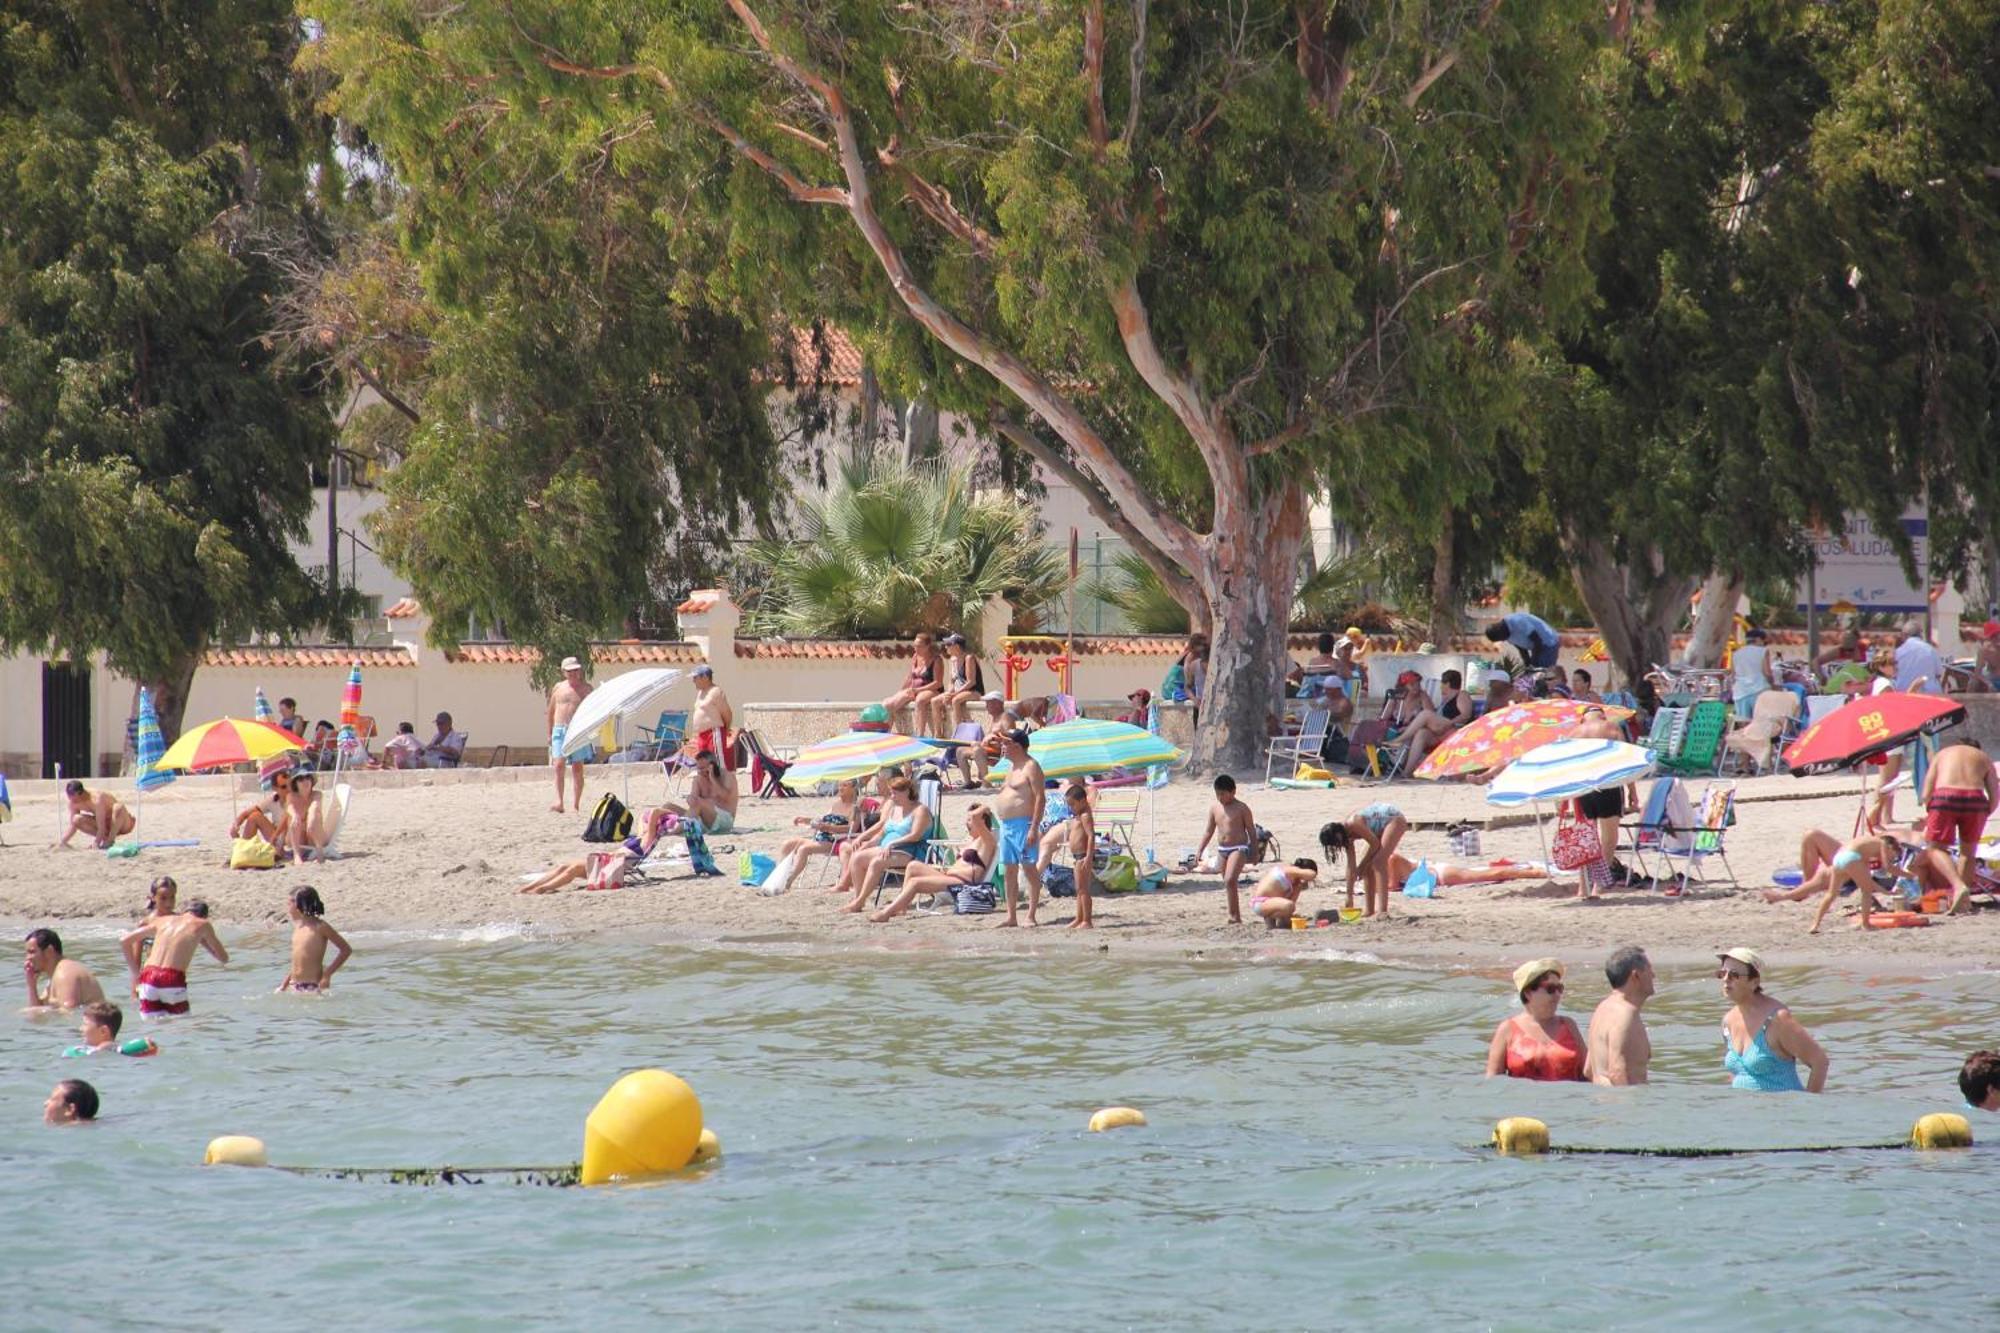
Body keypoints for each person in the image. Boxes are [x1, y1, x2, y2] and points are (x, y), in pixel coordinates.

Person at [1718, 947, 1827, 1092]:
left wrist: (1809, 1106)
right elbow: (1736, 1073)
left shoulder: (1777, 1020)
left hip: (1783, 1111)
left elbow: (1820, 1062)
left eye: (1734, 975)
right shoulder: (1728, 1021)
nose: (1726, 979)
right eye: (1722, 973)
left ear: (1754, 982)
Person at [870, 805, 998, 922]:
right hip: (950, 878)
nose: (966, 823)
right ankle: (901, 907)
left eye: (969, 820)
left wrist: (985, 808)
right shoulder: (972, 841)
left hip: (964, 884)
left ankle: (886, 913)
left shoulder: (987, 841)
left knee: (916, 883)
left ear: (981, 821)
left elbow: (976, 817)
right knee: (913, 866)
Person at [838, 776, 933, 913]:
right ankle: (858, 898)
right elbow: (882, 833)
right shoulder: (895, 809)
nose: (892, 797)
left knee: (877, 862)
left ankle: (860, 901)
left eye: (894, 793)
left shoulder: (920, 810)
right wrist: (868, 843)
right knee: (857, 857)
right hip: (888, 848)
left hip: (911, 850)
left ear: (907, 792)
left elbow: (915, 835)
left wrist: (892, 843)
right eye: (891, 793)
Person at [1484, 959, 1586, 1082]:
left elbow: (1589, 1071)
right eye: (1550, 989)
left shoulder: (1569, 1025)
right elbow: (1493, 1080)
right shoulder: (1507, 1029)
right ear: (1528, 993)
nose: (1557, 994)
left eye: (1560, 988)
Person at [120, 900, 227, 1016]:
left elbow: (124, 941)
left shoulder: (163, 920)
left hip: (148, 977)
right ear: (205, 916)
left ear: (184, 912)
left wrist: (136, 973)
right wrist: (203, 941)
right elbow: (223, 958)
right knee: (181, 1028)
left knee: (151, 1028)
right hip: (172, 979)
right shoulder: (203, 924)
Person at [1573, 705, 1639, 887]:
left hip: (1583, 788)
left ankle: (1582, 886)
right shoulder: (1611, 728)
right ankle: (1598, 887)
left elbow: (1567, 768)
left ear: (1584, 718)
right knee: (1608, 837)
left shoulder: (1575, 733)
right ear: (1602, 717)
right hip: (1609, 784)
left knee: (1587, 838)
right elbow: (1626, 761)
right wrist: (1632, 792)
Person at [1918, 741, 1996, 893]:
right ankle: (1963, 897)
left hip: (1944, 798)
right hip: (1976, 800)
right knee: (1968, 853)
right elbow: (1994, 796)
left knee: (1935, 849)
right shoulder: (1983, 757)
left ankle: (1954, 887)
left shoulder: (1942, 754)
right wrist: (1985, 814)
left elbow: (1926, 793)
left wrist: (1931, 812)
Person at [762, 779, 864, 895]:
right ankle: (778, 876)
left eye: (845, 786)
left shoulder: (855, 808)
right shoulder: (835, 804)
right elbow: (821, 820)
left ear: (853, 789)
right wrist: (806, 820)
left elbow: (851, 829)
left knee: (804, 849)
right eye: (840, 785)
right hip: (821, 837)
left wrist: (829, 828)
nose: (841, 788)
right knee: (788, 844)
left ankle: (788, 881)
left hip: (834, 840)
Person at [991, 729, 1047, 927]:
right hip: (1006, 826)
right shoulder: (1012, 767)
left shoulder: (1031, 766)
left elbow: (1040, 798)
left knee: (1029, 869)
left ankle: (1031, 915)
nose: (1002, 748)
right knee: (1009, 871)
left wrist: (1033, 827)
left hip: (1024, 824)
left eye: (1006, 744)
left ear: (1017, 746)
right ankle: (1011, 916)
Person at [1319, 804, 1407, 919]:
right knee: (1367, 869)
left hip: (1394, 819)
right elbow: (1351, 868)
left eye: (1335, 843)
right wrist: (1349, 896)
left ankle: (1382, 911)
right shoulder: (1347, 838)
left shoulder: (1353, 823)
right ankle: (1370, 910)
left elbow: (1374, 844)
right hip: (1378, 830)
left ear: (1338, 834)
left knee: (1378, 862)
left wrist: (1362, 865)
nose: (1337, 846)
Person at [1805, 832, 1904, 933]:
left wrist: (1886, 892)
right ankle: (1866, 925)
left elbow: (1868, 880)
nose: (1891, 859)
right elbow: (1871, 880)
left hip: (1839, 857)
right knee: (1866, 892)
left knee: (1831, 894)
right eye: (1892, 856)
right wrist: (1908, 876)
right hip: (1851, 858)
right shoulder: (1878, 847)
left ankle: (1815, 925)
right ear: (1890, 848)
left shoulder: (1867, 846)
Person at [1192, 774, 1257, 924]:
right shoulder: (1215, 808)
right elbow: (1209, 831)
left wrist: (1254, 851)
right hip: (1222, 850)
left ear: (1233, 792)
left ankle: (1234, 916)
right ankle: (1235, 915)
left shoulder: (1242, 808)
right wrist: (1200, 850)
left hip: (1238, 848)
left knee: (1230, 880)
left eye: (1223, 794)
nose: (1220, 797)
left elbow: (1251, 831)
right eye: (1217, 794)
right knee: (1229, 884)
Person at [1586, 946, 1654, 1086]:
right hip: (1624, 1104)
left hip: (1604, 1103)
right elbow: (1617, 1071)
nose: (1654, 975)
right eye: (1649, 969)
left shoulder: (1602, 1009)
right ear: (1636, 976)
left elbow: (1588, 1070)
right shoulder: (1626, 1014)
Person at [1390, 671, 1470, 776]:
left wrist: (1449, 723)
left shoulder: (1462, 695)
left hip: (1456, 731)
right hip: (1442, 732)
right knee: (1421, 733)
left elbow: (1466, 715)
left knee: (1426, 714)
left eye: (1442, 683)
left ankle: (1399, 740)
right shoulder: (1446, 698)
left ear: (1447, 684)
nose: (1441, 686)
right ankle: (1407, 772)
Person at [278, 886, 352, 993]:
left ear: (299, 904)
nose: (287, 908)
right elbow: (297, 963)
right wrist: (284, 985)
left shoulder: (320, 926)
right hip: (294, 985)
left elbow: (346, 950)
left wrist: (327, 974)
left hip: (313, 986)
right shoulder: (298, 927)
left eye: (289, 904)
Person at [651, 749, 740, 838]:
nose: (700, 771)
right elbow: (693, 802)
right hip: (702, 819)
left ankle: (675, 831)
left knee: (699, 803)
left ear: (712, 766)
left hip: (724, 820)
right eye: (698, 768)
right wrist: (690, 798)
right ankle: (655, 828)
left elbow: (726, 797)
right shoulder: (698, 779)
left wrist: (713, 778)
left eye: (703, 768)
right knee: (667, 806)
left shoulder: (727, 776)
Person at [547, 655, 596, 814]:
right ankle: (559, 801)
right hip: (560, 729)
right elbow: (551, 711)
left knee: (577, 768)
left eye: (576, 670)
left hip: (578, 731)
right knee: (559, 765)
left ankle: (575, 804)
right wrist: (549, 732)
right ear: (564, 672)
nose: (574, 673)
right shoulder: (558, 688)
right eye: (570, 671)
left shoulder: (587, 689)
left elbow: (593, 712)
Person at [23, 928, 106, 1010]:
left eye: (32, 952)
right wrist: (32, 985)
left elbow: (69, 1013)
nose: (27, 958)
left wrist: (33, 1011)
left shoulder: (64, 974)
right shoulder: (55, 975)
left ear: (49, 951)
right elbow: (36, 1016)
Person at [928, 633, 986, 734]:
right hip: (958, 690)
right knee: (934, 701)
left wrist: (954, 694)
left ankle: (959, 733)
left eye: (949, 645)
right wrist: (949, 693)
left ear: (957, 646)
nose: (946, 647)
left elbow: (971, 682)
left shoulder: (969, 658)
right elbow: (951, 681)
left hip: (973, 691)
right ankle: (938, 734)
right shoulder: (953, 660)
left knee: (955, 700)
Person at [883, 633, 941, 732]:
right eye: (915, 646)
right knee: (887, 703)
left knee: (920, 700)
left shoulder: (936, 660)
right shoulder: (915, 657)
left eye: (919, 646)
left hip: (931, 690)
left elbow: (937, 683)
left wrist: (918, 690)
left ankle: (920, 734)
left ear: (927, 646)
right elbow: (910, 677)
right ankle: (886, 732)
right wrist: (900, 691)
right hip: (913, 690)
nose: (915, 649)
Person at [54, 780, 134, 849]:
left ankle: (109, 841)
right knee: (76, 819)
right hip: (106, 827)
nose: (69, 798)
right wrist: (63, 842)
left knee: (118, 807)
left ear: (78, 793)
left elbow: (101, 827)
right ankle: (106, 839)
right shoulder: (73, 803)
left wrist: (96, 843)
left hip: (122, 823)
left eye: (71, 795)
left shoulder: (97, 799)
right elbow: (73, 825)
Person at [278, 769, 333, 864]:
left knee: (315, 815)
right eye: (300, 779)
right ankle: (297, 855)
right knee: (294, 818)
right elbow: (289, 808)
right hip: (297, 838)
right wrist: (295, 816)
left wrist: (311, 821)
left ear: (311, 781)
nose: (305, 781)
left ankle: (320, 853)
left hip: (315, 837)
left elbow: (314, 806)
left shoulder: (317, 794)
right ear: (296, 784)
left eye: (308, 778)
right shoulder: (291, 796)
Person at [64, 1001, 155, 1058]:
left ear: (103, 1031)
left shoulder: (120, 1049)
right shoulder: (76, 1051)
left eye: (85, 1024)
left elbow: (148, 1043)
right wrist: (99, 1051)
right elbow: (68, 1054)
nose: (81, 1028)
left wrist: (110, 1048)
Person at [1249, 859, 1320, 928]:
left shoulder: (1294, 882)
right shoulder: (1291, 870)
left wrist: (1299, 887)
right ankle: (1269, 917)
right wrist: (1308, 877)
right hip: (1260, 903)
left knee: (1290, 907)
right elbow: (1312, 874)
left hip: (1270, 902)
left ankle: (1276, 922)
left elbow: (1292, 902)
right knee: (1289, 906)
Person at [1484, 612, 1561, 674]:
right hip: (1537, 647)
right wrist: (1527, 665)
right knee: (1532, 676)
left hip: (1548, 643)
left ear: (1500, 629)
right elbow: (1522, 649)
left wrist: (1533, 664)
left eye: (1501, 638)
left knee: (1543, 675)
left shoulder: (1516, 621)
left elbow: (1537, 641)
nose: (1503, 640)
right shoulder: (1506, 634)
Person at [231, 770, 292, 847]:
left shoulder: (297, 798)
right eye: (284, 787)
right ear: (275, 788)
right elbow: (247, 813)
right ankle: (243, 849)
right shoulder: (273, 799)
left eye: (291, 785)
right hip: (277, 837)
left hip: (292, 837)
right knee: (254, 816)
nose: (289, 789)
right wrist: (236, 825)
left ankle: (243, 850)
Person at [687, 664, 735, 758]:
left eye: (695, 677)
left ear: (705, 677)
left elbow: (727, 713)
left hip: (713, 734)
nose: (693, 681)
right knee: (705, 764)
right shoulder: (700, 692)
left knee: (717, 763)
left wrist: (725, 730)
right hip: (702, 735)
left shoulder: (715, 691)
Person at [1730, 626, 1777, 718]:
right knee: (1760, 721)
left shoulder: (1736, 653)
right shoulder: (1763, 651)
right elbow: (1767, 673)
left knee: (1742, 722)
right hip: (1760, 690)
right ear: (1759, 639)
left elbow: (1733, 675)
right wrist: (1773, 684)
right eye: (1764, 641)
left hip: (1740, 691)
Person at [1893, 619, 1946, 694]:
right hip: (1929, 695)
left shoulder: (1898, 652)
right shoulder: (1931, 650)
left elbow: (1894, 674)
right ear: (1920, 634)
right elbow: (1938, 673)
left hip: (1904, 694)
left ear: (1904, 635)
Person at [1977, 621, 2000, 691]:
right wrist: (1988, 683)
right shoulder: (1984, 651)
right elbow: (1977, 673)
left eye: (1997, 634)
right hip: (1993, 681)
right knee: (1972, 683)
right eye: (1992, 636)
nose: (1996, 638)